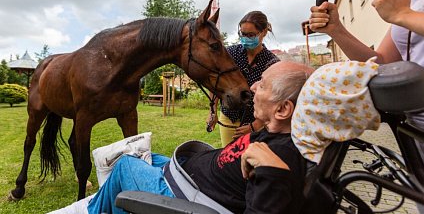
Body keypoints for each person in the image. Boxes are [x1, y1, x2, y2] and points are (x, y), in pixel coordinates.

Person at [50, 61, 313, 214]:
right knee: (145, 157)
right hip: (187, 174)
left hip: (189, 195)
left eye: (263, 85)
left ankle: (92, 209)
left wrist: (272, 171)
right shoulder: (277, 131)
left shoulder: (277, 161)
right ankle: (109, 199)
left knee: (126, 165)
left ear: (283, 109)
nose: (253, 86)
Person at [309, 0, 424, 212]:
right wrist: (336, 29)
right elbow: (383, 62)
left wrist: (404, 15)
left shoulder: (403, 7)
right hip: (418, 137)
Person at [208, 11, 280, 147]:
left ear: (263, 32)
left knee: (251, 162)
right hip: (229, 117)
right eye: (242, 34)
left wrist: (255, 126)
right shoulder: (229, 54)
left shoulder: (272, 63)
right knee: (227, 158)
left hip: (256, 123)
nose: (246, 38)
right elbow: (217, 83)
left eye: (251, 35)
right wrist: (212, 111)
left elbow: (274, 100)